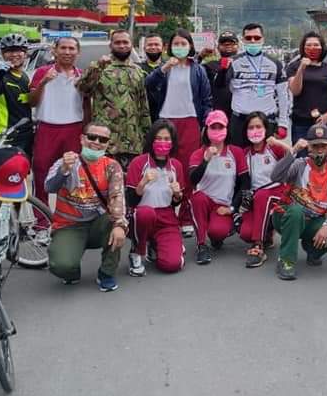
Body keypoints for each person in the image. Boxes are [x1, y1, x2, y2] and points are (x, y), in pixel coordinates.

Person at [45, 122, 128, 291]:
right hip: (69, 226)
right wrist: (64, 170)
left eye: (103, 139)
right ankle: (72, 269)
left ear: (107, 144)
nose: (97, 142)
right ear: (82, 139)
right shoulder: (65, 161)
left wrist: (120, 225)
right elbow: (49, 187)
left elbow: (117, 196)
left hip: (98, 223)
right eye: (92, 137)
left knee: (117, 225)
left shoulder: (112, 166)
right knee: (61, 266)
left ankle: (106, 273)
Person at [145, 29, 212, 234]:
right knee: (162, 166)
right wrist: (163, 68)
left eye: (184, 43)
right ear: (169, 47)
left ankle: (184, 217)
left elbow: (207, 99)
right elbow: (148, 85)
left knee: (186, 169)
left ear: (190, 46)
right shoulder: (165, 68)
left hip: (190, 122)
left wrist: (206, 123)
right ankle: (162, 213)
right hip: (166, 121)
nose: (180, 47)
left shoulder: (198, 69)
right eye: (176, 43)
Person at [270, 124, 327, 281]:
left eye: (324, 146)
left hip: (312, 221)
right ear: (308, 147)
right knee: (297, 211)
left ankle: (313, 250)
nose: (320, 150)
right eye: (315, 146)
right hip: (286, 216)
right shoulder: (300, 165)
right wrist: (293, 151)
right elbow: (275, 177)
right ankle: (286, 260)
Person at [76, 29, 151, 170]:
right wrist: (97, 67)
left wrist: (147, 136)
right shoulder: (100, 67)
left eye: (125, 42)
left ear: (131, 45)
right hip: (104, 141)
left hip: (132, 143)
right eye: (117, 43)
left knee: (129, 186)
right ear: (111, 46)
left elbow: (143, 106)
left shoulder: (138, 72)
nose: (122, 46)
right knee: (102, 185)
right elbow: (83, 89)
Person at [29, 37, 84, 221]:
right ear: (55, 50)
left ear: (78, 52)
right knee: (41, 173)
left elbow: (88, 105)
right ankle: (42, 221)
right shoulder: (43, 72)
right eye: (63, 48)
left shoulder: (81, 76)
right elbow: (31, 101)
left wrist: (88, 128)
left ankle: (68, 219)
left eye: (71, 48)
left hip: (74, 129)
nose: (67, 52)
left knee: (73, 175)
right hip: (47, 128)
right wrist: (44, 81)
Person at [188, 110, 249, 265]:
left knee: (217, 232)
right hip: (204, 201)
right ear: (206, 130)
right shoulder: (198, 153)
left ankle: (217, 237)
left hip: (222, 204)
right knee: (197, 197)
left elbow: (245, 183)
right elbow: (193, 180)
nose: (216, 131)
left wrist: (233, 208)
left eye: (220, 127)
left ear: (226, 129)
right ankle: (201, 244)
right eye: (212, 127)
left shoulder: (235, 152)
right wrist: (206, 160)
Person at [125, 120, 185, 276]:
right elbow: (130, 201)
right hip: (142, 214)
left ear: (173, 142)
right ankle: (136, 252)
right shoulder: (138, 163)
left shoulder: (176, 166)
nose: (162, 142)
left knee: (172, 264)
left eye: (167, 139)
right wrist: (142, 183)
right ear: (151, 140)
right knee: (145, 213)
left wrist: (178, 194)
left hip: (166, 218)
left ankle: (157, 245)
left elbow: (176, 202)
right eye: (158, 138)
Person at [217, 24, 290, 144]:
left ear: (263, 39)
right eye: (249, 38)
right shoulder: (233, 62)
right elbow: (220, 86)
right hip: (240, 121)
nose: (253, 41)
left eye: (256, 38)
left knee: (267, 160)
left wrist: (283, 123)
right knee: (239, 160)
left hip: (266, 120)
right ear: (243, 40)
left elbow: (283, 95)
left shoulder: (275, 63)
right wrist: (222, 70)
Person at [238, 112, 291, 268]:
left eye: (258, 126)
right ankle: (266, 234)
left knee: (262, 196)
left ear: (265, 129)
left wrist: (279, 143)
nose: (255, 130)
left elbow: (293, 153)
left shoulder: (273, 148)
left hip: (277, 192)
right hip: (257, 197)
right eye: (251, 127)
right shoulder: (245, 153)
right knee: (245, 233)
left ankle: (258, 246)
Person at [0, 33, 34, 155]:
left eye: (18, 50)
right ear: (2, 54)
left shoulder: (24, 77)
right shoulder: (0, 77)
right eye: (9, 51)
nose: (14, 54)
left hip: (25, 136)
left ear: (25, 54)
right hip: (4, 138)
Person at [285, 31, 327, 146]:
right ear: (303, 47)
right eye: (308, 45)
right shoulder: (294, 67)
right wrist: (301, 68)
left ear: (322, 47)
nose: (312, 48)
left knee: (323, 159)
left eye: (316, 45)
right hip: (301, 122)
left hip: (324, 122)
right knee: (301, 160)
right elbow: (295, 90)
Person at [202, 31, 239, 116]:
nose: (228, 45)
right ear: (218, 47)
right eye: (224, 43)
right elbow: (192, 72)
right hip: (218, 116)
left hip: (239, 116)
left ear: (238, 46)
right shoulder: (210, 66)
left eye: (232, 43)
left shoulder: (245, 66)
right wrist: (200, 56)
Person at [140, 33, 166, 120]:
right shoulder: (137, 69)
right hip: (143, 117)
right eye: (150, 45)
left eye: (156, 44)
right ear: (144, 48)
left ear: (163, 48)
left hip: (164, 117)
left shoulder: (169, 68)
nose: (153, 47)